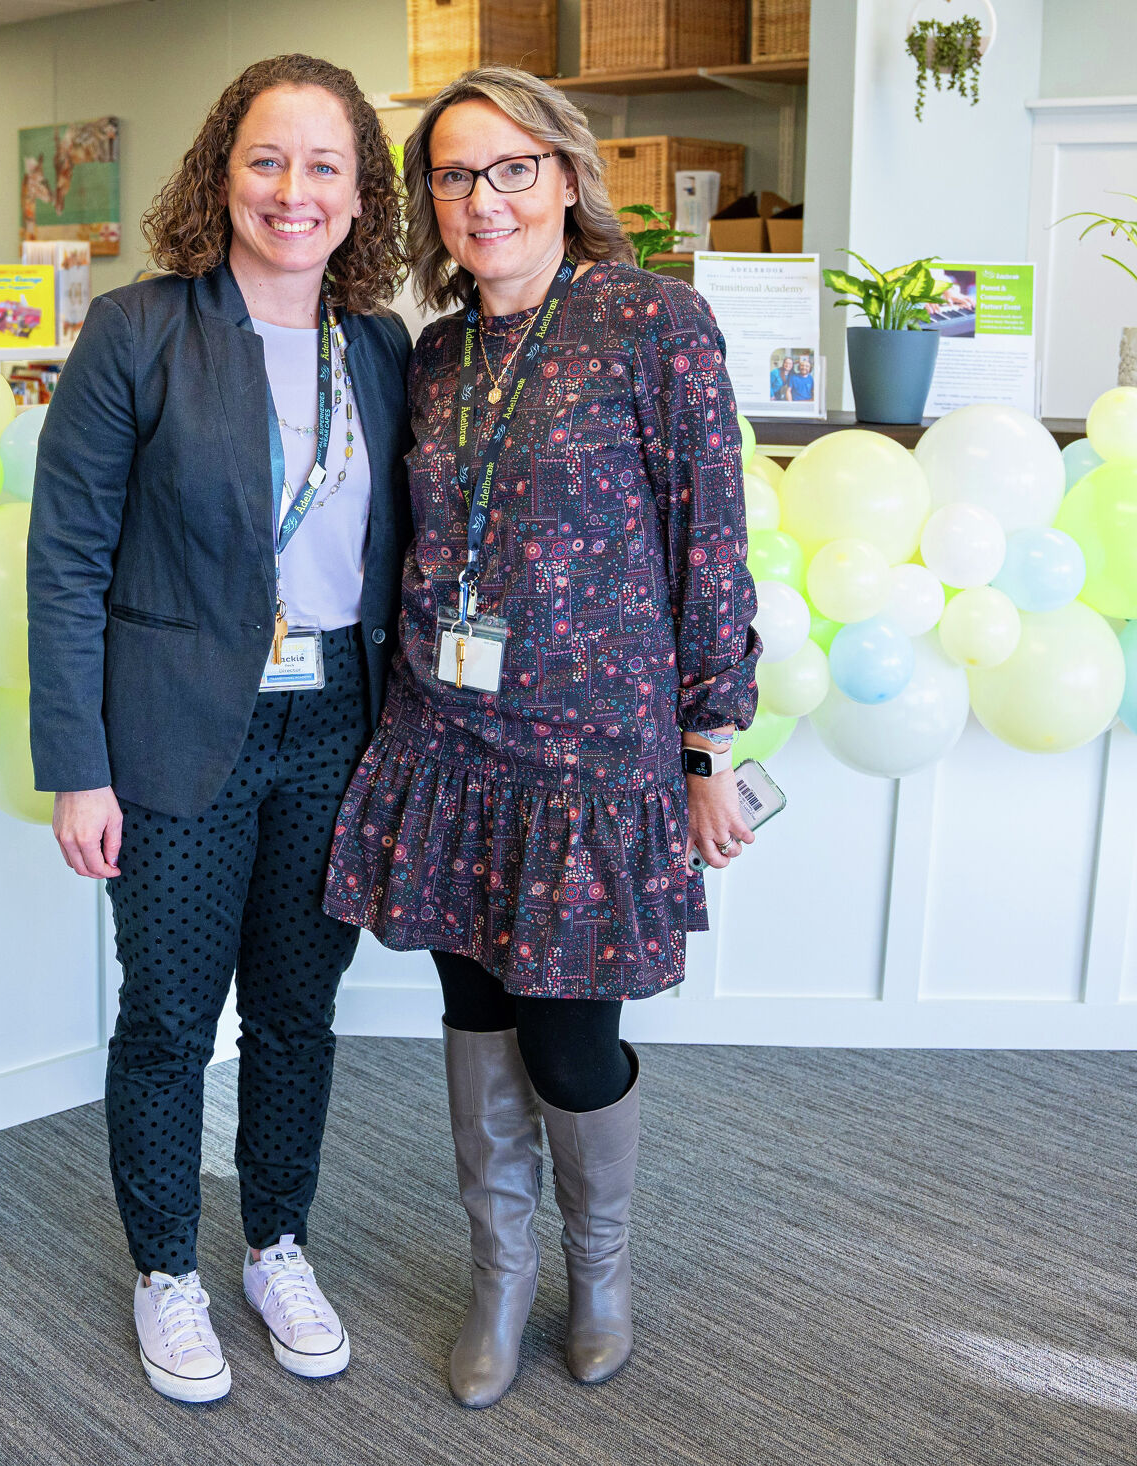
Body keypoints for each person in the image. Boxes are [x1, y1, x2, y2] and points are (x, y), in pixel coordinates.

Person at [323, 67, 759, 1408]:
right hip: (451, 743)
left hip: (591, 757)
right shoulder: (435, 352)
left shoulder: (655, 325)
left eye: (512, 169)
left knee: (569, 1040)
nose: (483, 200)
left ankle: (602, 1266)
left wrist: (708, 743)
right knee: (475, 1013)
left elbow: (710, 539)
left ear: (568, 178)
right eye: (455, 176)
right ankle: (500, 1272)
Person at [27, 53, 412, 1404]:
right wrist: (77, 765)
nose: (293, 191)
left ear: (362, 196)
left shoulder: (378, 347)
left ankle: (275, 1243)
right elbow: (66, 557)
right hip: (180, 733)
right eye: (267, 159)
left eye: (324, 166)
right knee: (173, 1019)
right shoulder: (139, 329)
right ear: (220, 172)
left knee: (300, 1014)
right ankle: (166, 1271)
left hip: (335, 730)